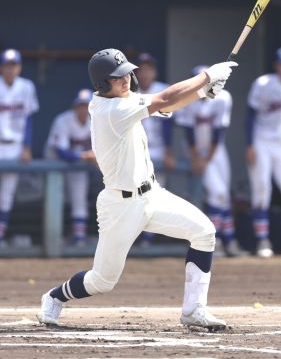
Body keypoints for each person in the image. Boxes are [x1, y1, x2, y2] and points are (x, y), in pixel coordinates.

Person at [37, 48, 237, 329]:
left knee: (204, 232)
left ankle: (194, 311)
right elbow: (165, 98)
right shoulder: (110, 110)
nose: (126, 79)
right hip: (121, 206)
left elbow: (167, 106)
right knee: (102, 281)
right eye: (117, 77)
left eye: (126, 73)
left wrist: (202, 93)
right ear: (101, 84)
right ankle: (55, 297)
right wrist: (207, 76)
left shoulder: (122, 98)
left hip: (152, 195)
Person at [176, 65, 246, 257]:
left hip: (216, 151)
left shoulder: (223, 98)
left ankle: (228, 241)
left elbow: (218, 133)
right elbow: (188, 133)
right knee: (218, 194)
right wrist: (196, 158)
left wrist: (206, 160)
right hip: (195, 151)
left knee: (223, 197)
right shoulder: (187, 100)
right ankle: (218, 242)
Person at [246, 46, 281, 258]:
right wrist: (250, 145)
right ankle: (262, 241)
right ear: (277, 65)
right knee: (262, 189)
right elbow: (250, 115)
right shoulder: (264, 84)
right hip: (261, 141)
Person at [44, 89, 96, 245]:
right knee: (54, 200)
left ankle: (78, 238)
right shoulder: (63, 120)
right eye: (80, 105)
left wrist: (93, 155)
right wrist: (85, 156)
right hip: (55, 164)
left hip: (77, 164)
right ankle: (52, 239)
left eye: (87, 105)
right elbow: (61, 153)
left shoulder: (96, 122)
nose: (83, 109)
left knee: (78, 198)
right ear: (74, 106)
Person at [135, 53, 175, 246]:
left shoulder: (161, 90)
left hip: (158, 149)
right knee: (136, 195)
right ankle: (138, 234)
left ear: (154, 72)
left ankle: (148, 237)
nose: (145, 73)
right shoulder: (130, 92)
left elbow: (168, 125)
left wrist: (168, 151)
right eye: (141, 69)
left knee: (155, 193)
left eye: (148, 69)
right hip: (136, 150)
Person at [0, 49, 39, 247]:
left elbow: (29, 119)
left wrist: (27, 146)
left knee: (6, 195)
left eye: (13, 65)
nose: (10, 69)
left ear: (19, 67)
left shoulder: (26, 87)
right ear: (1, 67)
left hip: (14, 146)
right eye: (7, 65)